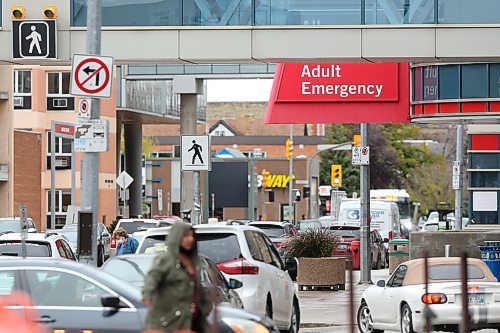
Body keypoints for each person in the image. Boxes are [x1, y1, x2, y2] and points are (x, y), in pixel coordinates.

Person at [143, 222, 212, 333]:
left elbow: (197, 288)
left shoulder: (194, 261)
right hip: (168, 323)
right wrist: (147, 295)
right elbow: (152, 278)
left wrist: (205, 306)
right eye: (185, 236)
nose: (190, 239)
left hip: (192, 322)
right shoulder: (166, 259)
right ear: (176, 237)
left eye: (192, 236)